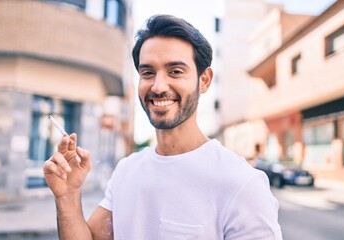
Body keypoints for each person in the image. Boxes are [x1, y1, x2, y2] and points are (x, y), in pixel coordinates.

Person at [43, 14, 283, 240]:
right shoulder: (126, 170)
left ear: (204, 80)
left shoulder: (241, 183)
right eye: (147, 72)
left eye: (175, 71)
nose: (158, 86)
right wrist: (67, 196)